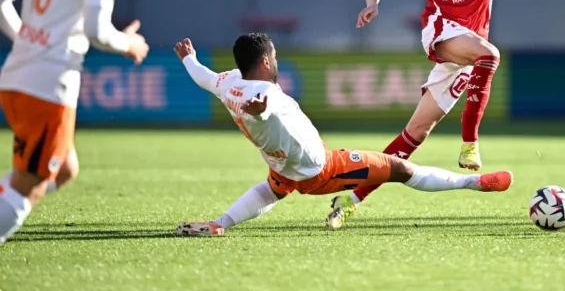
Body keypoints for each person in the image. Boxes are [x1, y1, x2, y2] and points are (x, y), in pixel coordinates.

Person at [328, 0, 555, 229]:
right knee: (490, 56)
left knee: (413, 135)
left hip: (468, 46)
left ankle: (350, 199)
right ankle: (469, 143)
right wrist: (372, 4)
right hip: (442, 30)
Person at [173, 33, 513, 235]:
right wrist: (260, 109)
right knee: (401, 169)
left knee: (272, 191)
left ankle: (220, 223)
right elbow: (265, 106)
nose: (276, 62)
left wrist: (189, 60)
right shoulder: (266, 92)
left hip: (283, 168)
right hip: (323, 169)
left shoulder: (228, 83)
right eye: (274, 57)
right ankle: (476, 183)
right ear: (264, 61)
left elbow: (202, 76)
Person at [0, 0, 149, 244]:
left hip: (15, 77)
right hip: (48, 85)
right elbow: (98, 31)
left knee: (64, 169)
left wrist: (24, 36)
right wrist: (128, 44)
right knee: (29, 185)